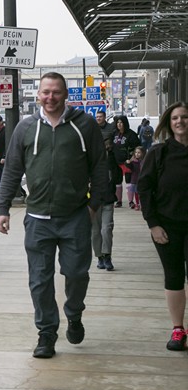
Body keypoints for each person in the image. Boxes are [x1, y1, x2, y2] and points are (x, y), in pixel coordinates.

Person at [0, 72, 111, 359]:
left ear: (65, 94)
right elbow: (12, 169)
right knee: (40, 279)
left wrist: (94, 205)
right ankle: (46, 333)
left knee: (76, 273)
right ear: (38, 95)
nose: (50, 97)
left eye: (56, 92)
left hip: (75, 216)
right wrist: (2, 208)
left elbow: (100, 166)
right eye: (46, 92)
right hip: (37, 218)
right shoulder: (25, 127)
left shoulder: (84, 125)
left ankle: (74, 313)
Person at [137, 102, 188, 352]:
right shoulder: (159, 153)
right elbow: (144, 189)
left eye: (185, 117)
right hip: (167, 226)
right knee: (174, 276)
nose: (180, 122)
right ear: (169, 123)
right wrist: (153, 224)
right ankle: (178, 329)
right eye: (175, 118)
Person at [90, 110, 117, 272]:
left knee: (106, 229)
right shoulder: (89, 160)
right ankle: (99, 256)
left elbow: (117, 175)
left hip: (107, 198)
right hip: (93, 200)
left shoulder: (111, 159)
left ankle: (107, 255)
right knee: (95, 231)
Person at [111, 115, 140, 207]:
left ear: (125, 123)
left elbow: (137, 148)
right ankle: (118, 201)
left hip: (128, 162)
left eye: (121, 122)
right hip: (115, 161)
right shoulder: (114, 133)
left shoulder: (131, 134)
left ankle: (131, 201)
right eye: (118, 122)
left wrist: (131, 159)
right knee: (117, 181)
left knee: (129, 181)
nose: (119, 124)